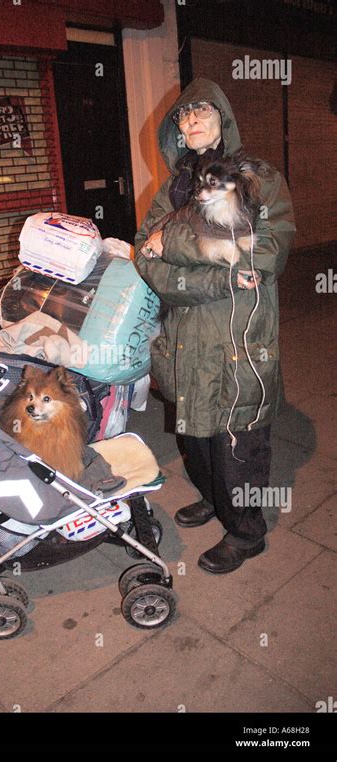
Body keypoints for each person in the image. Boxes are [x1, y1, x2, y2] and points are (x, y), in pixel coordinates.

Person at [135, 78, 296, 573]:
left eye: (202, 111)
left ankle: (246, 531)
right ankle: (214, 499)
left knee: (236, 436)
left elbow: (267, 249)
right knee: (195, 436)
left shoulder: (257, 176)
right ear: (178, 134)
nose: (192, 120)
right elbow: (145, 252)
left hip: (236, 335)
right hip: (185, 331)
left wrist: (177, 244)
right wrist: (211, 278)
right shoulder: (172, 188)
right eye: (183, 117)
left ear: (221, 118)